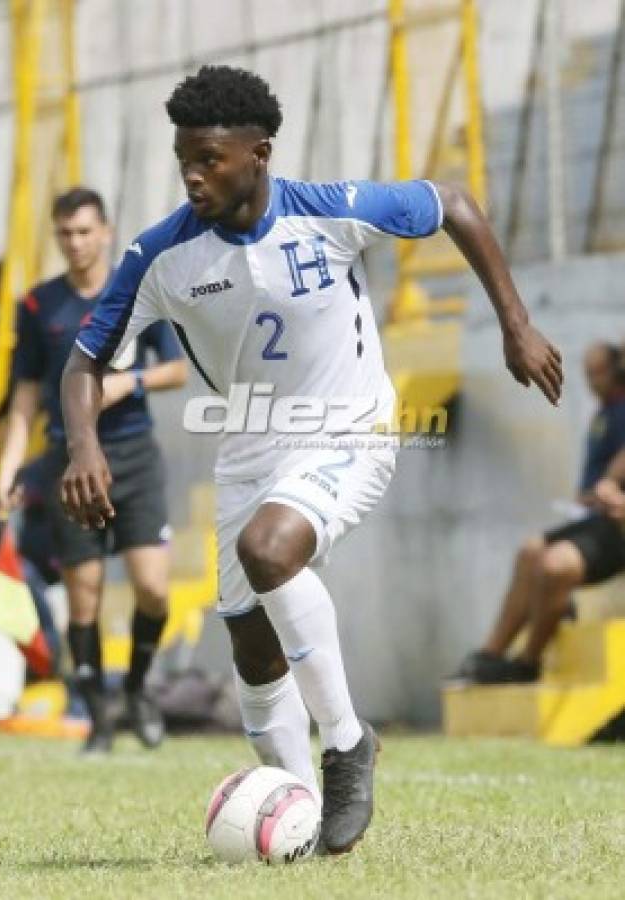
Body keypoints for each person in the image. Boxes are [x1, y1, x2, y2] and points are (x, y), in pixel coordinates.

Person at [59, 66, 562, 853]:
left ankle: (346, 742)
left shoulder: (327, 212)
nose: (193, 174)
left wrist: (515, 323)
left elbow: (455, 204)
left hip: (350, 430)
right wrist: (82, 444)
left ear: (258, 153)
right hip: (249, 448)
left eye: (211, 159)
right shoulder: (159, 255)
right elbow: (85, 360)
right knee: (252, 652)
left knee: (269, 548)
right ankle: (297, 823)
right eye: (183, 158)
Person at [0, 186, 188, 754]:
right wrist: (9, 467)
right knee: (85, 596)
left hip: (132, 455)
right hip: (68, 461)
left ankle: (136, 689)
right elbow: (25, 396)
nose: (75, 243)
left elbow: (177, 370)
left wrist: (133, 381)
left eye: (84, 231)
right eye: (65, 233)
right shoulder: (38, 306)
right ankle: (99, 721)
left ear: (105, 232)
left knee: (153, 589)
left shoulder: (137, 292)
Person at [455, 342, 625, 685]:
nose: (592, 382)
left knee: (553, 566)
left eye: (598, 373)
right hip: (596, 521)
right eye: (587, 374)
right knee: (530, 551)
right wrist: (596, 491)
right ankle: (492, 653)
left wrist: (610, 484)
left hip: (617, 529)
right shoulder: (605, 413)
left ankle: (528, 662)